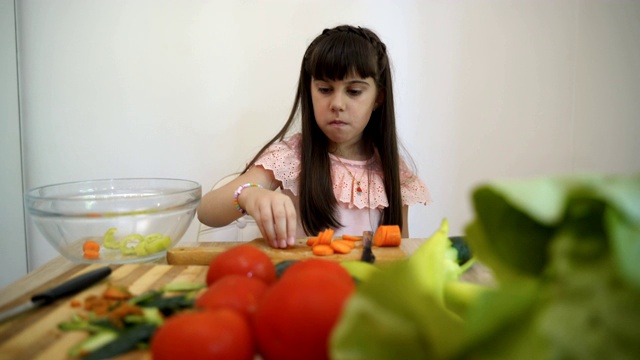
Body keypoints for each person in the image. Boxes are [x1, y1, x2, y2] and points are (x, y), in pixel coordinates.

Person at [197, 25, 430, 249]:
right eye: (325, 89)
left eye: (354, 91)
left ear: (378, 98)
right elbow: (206, 212)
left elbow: (400, 251)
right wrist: (249, 196)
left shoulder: (393, 171)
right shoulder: (291, 158)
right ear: (310, 91)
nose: (337, 104)